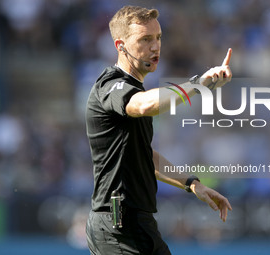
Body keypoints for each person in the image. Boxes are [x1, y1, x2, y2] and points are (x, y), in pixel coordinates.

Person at [85, 5, 233, 255]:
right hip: (116, 228)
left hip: (139, 224)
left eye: (158, 37)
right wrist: (200, 84)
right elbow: (146, 106)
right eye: (145, 39)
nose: (155, 46)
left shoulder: (135, 87)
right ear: (120, 46)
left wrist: (193, 184)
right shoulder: (110, 85)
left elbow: (143, 155)